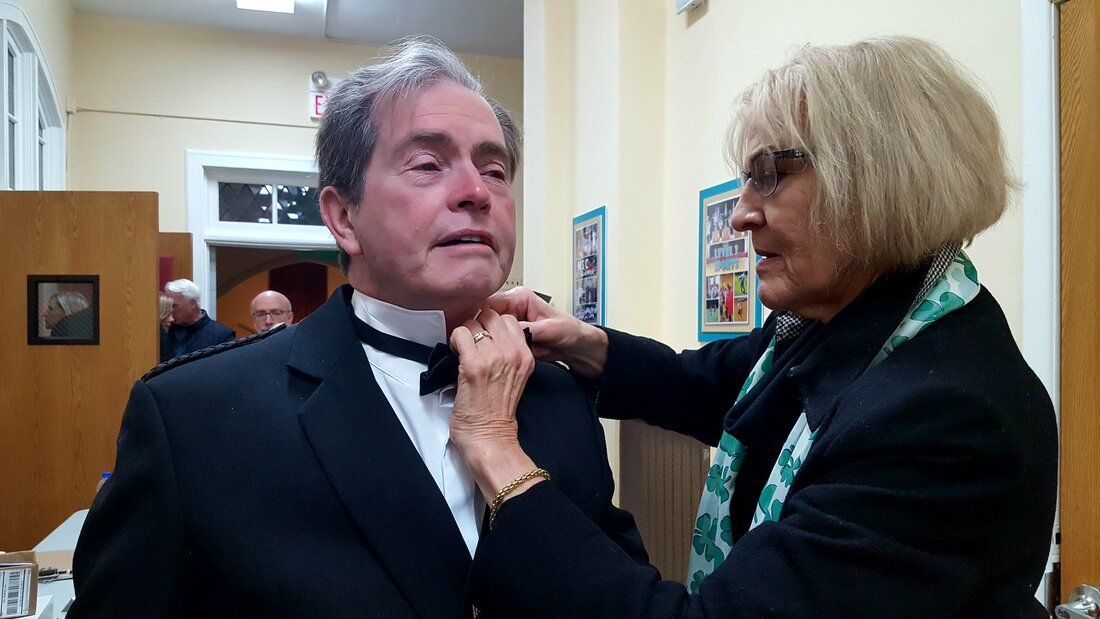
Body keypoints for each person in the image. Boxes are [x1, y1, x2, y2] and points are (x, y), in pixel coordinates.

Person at [446, 36, 1057, 616]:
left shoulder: (945, 418)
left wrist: (499, 455)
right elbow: (710, 384)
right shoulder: (855, 320)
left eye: (771, 175)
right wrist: (585, 344)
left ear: (878, 183)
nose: (740, 214)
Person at [70, 38, 643, 617]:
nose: (477, 192)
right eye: (427, 165)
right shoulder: (195, 416)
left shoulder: (558, 394)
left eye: (495, 171)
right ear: (343, 218)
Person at [160, 278, 234, 361]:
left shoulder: (221, 335)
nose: (170, 311)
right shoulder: (164, 329)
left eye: (174, 306)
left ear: (192, 304)